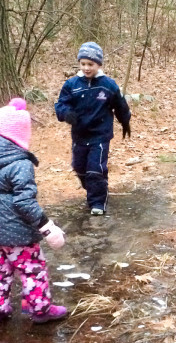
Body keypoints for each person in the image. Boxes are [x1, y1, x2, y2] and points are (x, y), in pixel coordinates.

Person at [0, 98, 68, 325]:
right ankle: (40, 309)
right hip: (18, 235)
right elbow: (24, 203)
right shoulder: (19, 163)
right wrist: (46, 226)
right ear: (21, 134)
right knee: (33, 269)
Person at [55, 42, 131, 215]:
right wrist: (66, 114)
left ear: (99, 64)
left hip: (100, 135)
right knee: (80, 167)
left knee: (95, 169)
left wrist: (125, 121)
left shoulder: (108, 85)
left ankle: (97, 203)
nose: (87, 68)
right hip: (79, 135)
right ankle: (94, 189)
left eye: (91, 64)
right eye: (83, 64)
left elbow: (120, 105)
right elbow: (61, 105)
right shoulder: (72, 85)